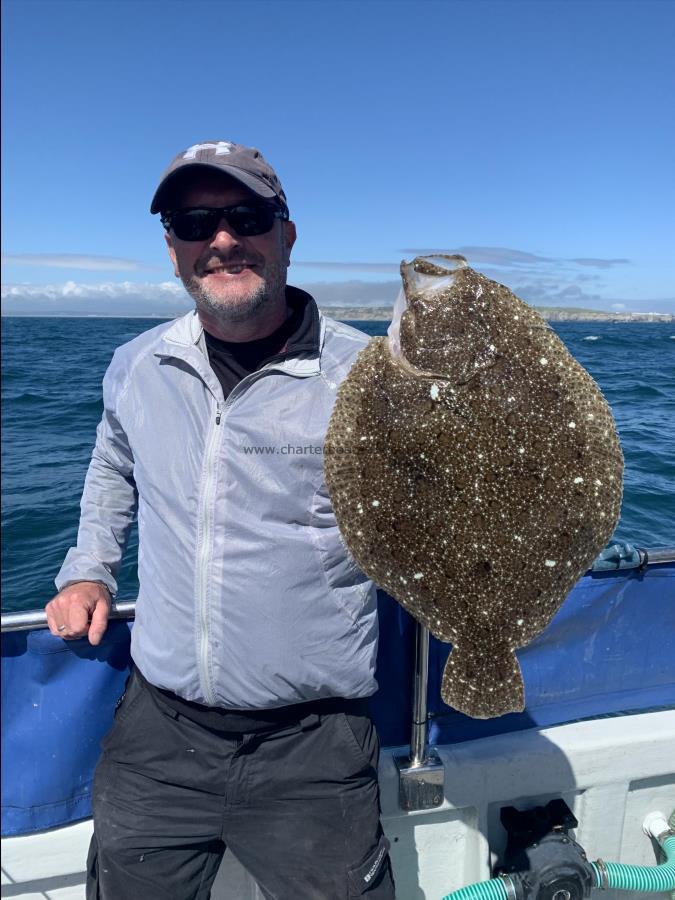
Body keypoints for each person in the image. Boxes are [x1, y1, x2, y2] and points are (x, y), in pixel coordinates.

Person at [45, 140, 396, 900]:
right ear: (172, 248)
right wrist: (88, 567)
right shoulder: (138, 364)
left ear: (287, 234)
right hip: (157, 735)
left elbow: (427, 514)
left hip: (315, 746)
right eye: (195, 222)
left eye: (246, 216)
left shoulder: (369, 378)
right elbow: (113, 467)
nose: (223, 239)